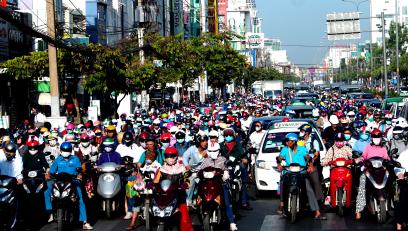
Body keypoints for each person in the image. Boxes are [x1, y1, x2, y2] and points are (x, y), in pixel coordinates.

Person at [277, 133, 326, 220]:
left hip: (301, 172)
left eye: (289, 141)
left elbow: (308, 157)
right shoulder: (285, 149)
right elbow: (280, 157)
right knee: (282, 183)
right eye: (287, 141)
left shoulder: (302, 149)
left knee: (309, 189)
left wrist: (310, 166)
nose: (287, 143)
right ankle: (282, 205)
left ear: (294, 141)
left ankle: (317, 212)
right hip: (289, 172)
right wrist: (279, 164)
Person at [48, 142, 93, 229]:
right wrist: (51, 174)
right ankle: (51, 214)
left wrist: (79, 174)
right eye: (64, 150)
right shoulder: (58, 160)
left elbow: (79, 170)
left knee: (80, 199)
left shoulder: (75, 159)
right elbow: (52, 171)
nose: (66, 152)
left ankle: (84, 222)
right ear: (60, 151)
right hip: (60, 182)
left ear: (70, 151)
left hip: (73, 182)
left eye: (67, 150)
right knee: (52, 195)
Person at [197, 142, 238, 231]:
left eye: (215, 150)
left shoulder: (223, 159)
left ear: (219, 151)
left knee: (227, 202)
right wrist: (198, 173)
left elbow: (227, 168)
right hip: (207, 184)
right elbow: (200, 170)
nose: (213, 152)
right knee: (198, 196)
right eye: (210, 151)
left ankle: (231, 222)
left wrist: (226, 173)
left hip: (220, 184)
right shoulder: (206, 160)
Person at [355, 129, 390, 220]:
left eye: (378, 137)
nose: (377, 139)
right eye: (375, 137)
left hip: (381, 171)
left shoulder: (383, 148)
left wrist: (391, 162)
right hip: (369, 171)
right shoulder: (368, 147)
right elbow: (363, 157)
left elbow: (387, 158)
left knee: (390, 181)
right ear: (372, 138)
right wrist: (360, 160)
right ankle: (358, 211)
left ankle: (392, 204)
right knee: (362, 186)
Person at [156, 147, 193, 231]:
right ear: (164, 157)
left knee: (184, 217)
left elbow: (187, 179)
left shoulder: (182, 168)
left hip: (179, 196)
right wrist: (150, 185)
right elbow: (156, 181)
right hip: (165, 196)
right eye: (167, 156)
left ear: (176, 157)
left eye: (172, 156)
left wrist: (186, 184)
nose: (170, 158)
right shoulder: (161, 169)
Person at [220, 128, 251, 210]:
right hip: (224, 164)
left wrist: (239, 158)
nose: (228, 137)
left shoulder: (237, 144)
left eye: (230, 135)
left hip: (236, 163)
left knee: (242, 169)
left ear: (233, 136)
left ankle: (244, 202)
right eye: (226, 135)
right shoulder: (220, 145)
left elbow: (241, 153)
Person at [115, 132, 144, 220]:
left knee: (130, 191)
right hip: (121, 170)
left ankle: (130, 211)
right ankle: (122, 208)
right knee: (121, 190)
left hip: (132, 171)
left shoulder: (136, 147)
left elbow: (138, 159)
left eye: (129, 140)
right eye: (126, 139)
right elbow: (117, 157)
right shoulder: (120, 147)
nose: (127, 141)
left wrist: (134, 168)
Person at [299, 124, 323, 205]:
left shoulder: (314, 141)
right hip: (301, 165)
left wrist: (311, 163)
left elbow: (316, 154)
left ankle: (319, 201)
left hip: (312, 164)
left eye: (302, 131)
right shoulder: (299, 141)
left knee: (315, 181)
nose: (300, 132)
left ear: (307, 132)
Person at [182, 132, 208, 206]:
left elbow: (212, 160)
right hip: (193, 171)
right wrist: (187, 165)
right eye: (203, 141)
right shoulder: (192, 149)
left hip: (204, 171)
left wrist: (207, 156)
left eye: (206, 140)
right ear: (198, 142)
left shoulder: (208, 149)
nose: (205, 143)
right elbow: (185, 157)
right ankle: (188, 200)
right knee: (190, 183)